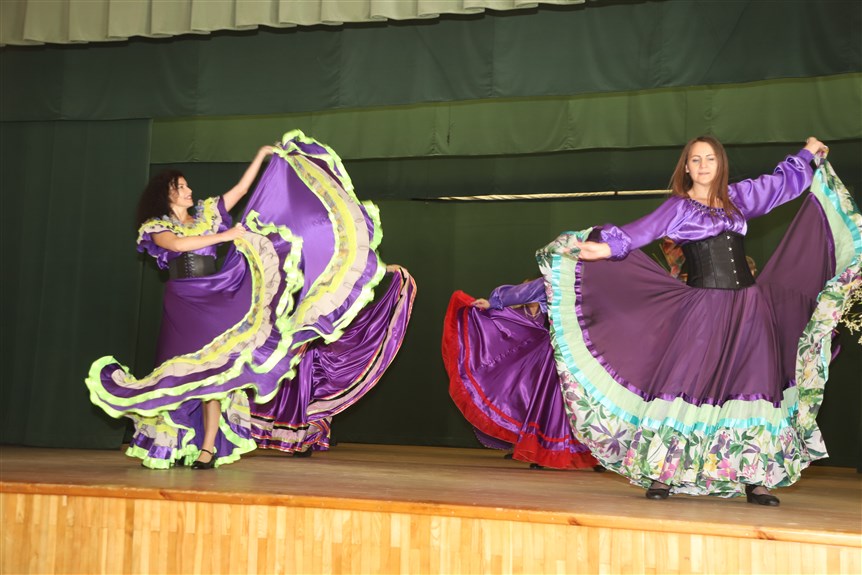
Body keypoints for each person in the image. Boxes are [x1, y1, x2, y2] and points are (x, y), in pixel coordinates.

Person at [536, 136, 861, 504]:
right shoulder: (678, 208)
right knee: (685, 380)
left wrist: (807, 153)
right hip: (704, 308)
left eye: (710, 158)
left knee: (754, 381)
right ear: (686, 167)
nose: (704, 165)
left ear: (720, 164)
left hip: (749, 307)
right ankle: (663, 472)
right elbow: (640, 231)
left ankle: (756, 478)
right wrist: (604, 247)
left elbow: (780, 184)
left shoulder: (738, 198)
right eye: (696, 159)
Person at [86, 130, 415, 469]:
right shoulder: (157, 226)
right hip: (183, 301)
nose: (188, 190)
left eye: (186, 185)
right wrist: (226, 235)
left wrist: (261, 157)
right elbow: (179, 246)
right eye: (181, 187)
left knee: (214, 374)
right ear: (166, 194)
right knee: (177, 369)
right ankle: (173, 443)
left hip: (213, 296)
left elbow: (242, 190)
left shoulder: (208, 214)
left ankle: (208, 449)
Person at [442, 280, 600, 471]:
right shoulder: (561, 276)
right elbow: (527, 291)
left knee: (589, 403)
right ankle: (548, 452)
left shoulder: (599, 280)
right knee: (556, 400)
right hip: (561, 349)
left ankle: (596, 455)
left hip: (590, 352)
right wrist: (493, 303)